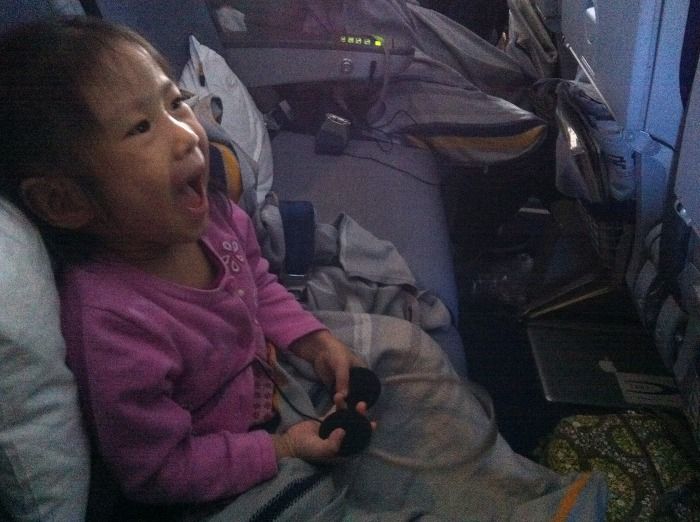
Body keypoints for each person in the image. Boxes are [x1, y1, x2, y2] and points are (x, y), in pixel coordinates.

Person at [0, 16, 371, 505]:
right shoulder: (112, 325)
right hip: (221, 469)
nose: (188, 136)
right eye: (140, 127)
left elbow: (257, 284)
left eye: (175, 103)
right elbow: (158, 471)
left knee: (407, 354)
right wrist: (280, 449)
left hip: (266, 378)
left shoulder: (211, 217)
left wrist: (315, 344)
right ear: (64, 202)